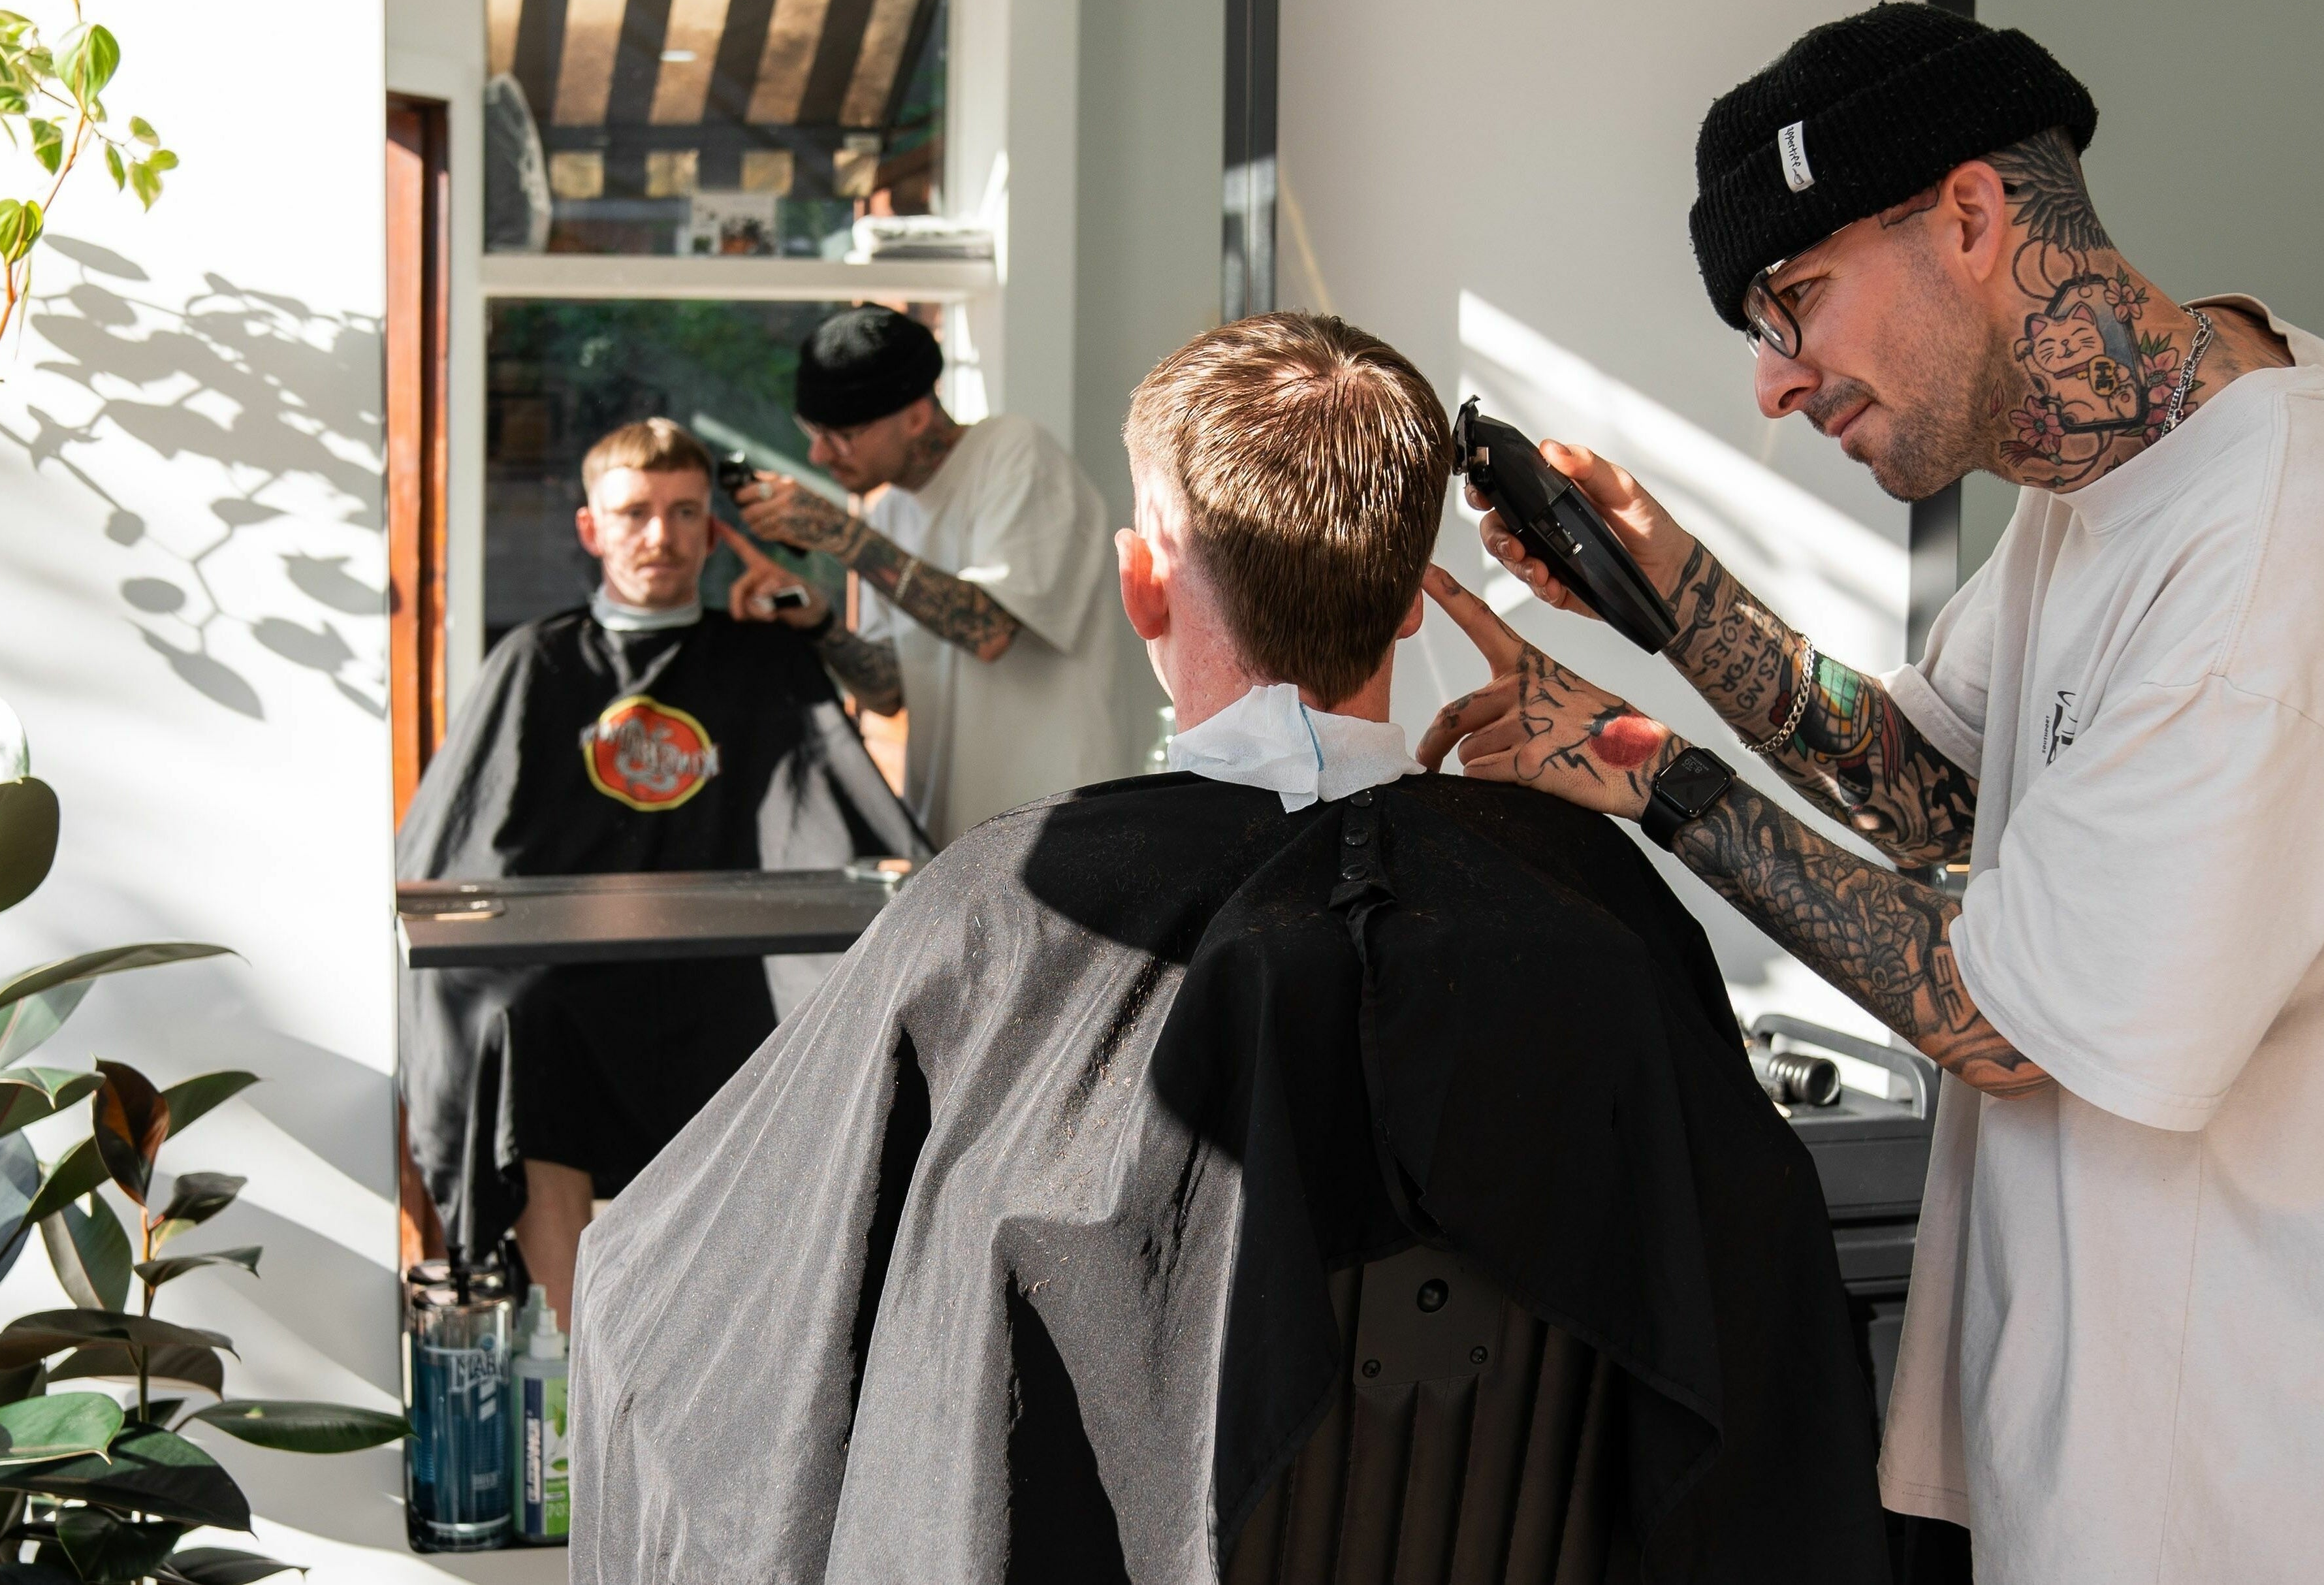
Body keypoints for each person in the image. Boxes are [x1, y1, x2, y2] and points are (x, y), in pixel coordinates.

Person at [569, 315, 1888, 1583]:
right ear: (1414, 601)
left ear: (1144, 583)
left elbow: (713, 1337)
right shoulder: (1587, 898)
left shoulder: (992, 906)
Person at [1421, 3, 2324, 1584]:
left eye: (1795, 301)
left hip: (2225, 1488)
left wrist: (1649, 774)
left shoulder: (2272, 539)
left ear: (1968, 215)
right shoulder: (2108, 484)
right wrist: (1674, 591)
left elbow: (2012, 1022)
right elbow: (1925, 792)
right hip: (2085, 1453)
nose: (1776, 386)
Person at [397, 417, 926, 1326]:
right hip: (577, 976)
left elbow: (833, 819)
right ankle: (577, 1348)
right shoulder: (538, 660)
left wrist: (802, 625)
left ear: (714, 530)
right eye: (634, 512)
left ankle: (761, 1332)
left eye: (686, 513)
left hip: (725, 968)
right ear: (590, 529)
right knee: (516, 1023)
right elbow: (456, 854)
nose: (661, 536)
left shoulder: (760, 657)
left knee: (816, 1006)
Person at [727, 304, 1128, 845]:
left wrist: (838, 533)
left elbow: (989, 632)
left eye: (841, 434)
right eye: (812, 431)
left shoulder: (1015, 453)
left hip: (1058, 825)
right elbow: (887, 691)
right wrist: (819, 621)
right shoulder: (889, 514)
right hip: (954, 836)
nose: (819, 454)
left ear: (915, 417)